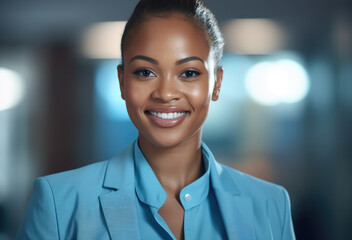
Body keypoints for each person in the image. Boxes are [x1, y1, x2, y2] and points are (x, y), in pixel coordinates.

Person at [16, 0, 296, 239]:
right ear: (122, 82)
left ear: (217, 83)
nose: (165, 93)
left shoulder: (271, 204)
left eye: (188, 73)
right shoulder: (59, 203)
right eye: (145, 72)